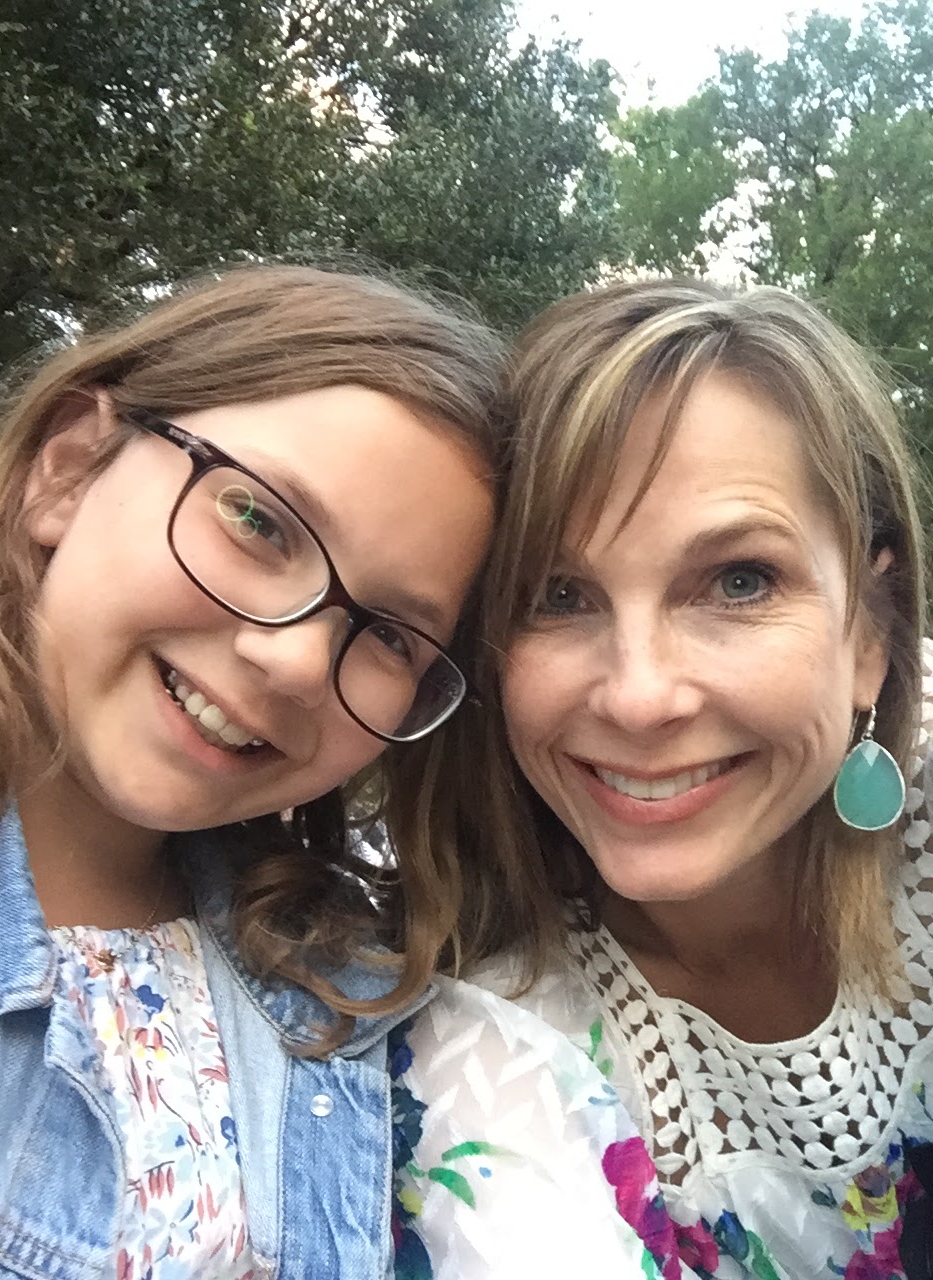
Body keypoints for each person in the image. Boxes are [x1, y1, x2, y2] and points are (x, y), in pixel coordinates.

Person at [0, 263, 509, 1280]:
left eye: (388, 635)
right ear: (70, 467)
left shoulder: (346, 980)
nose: (298, 661)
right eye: (259, 523)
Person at [392, 278, 933, 1279]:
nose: (640, 698)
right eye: (559, 595)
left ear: (869, 631)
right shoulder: (489, 1043)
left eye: (739, 580)